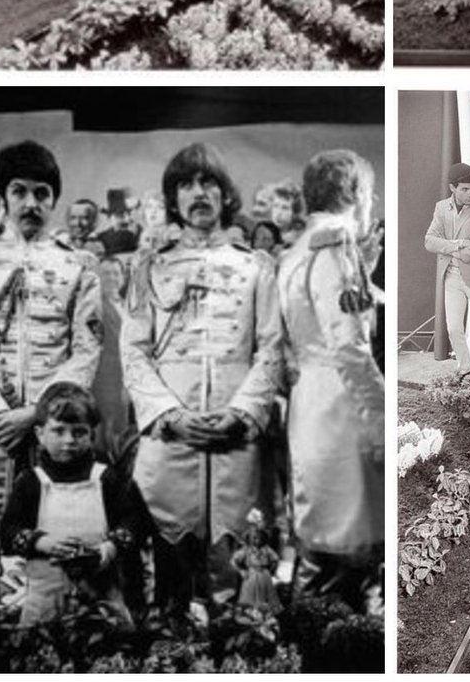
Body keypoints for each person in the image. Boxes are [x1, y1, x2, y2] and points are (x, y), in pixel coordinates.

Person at [120, 143, 282, 613]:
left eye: (209, 182)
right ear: (173, 198)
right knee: (172, 565)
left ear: (224, 194)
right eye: (187, 185)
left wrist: (242, 411)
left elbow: (270, 346)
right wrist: (168, 414)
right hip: (171, 434)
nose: (199, 193)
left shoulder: (255, 267)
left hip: (236, 435)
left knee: (241, 561)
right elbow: (133, 349)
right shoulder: (149, 267)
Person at [0, 140, 102, 607]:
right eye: (19, 191)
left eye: (41, 193)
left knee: (56, 551)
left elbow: (86, 349)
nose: (31, 203)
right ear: (3, 195)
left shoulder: (78, 264)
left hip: (52, 429)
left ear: (54, 199)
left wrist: (36, 414)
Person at [276, 149, 384, 600]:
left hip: (311, 403)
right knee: (346, 561)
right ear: (356, 193)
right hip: (344, 409)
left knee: (322, 544)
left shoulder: (298, 249)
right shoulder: (336, 244)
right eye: (370, 194)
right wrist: (381, 421)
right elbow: (350, 346)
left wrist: (368, 282)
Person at [0, 382, 144, 626]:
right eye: (58, 431)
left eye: (79, 432)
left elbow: (133, 523)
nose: (69, 441)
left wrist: (107, 550)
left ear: (92, 435)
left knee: (109, 648)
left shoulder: (106, 478)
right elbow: (8, 532)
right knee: (40, 650)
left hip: (102, 594)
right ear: (39, 434)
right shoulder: (31, 482)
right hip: (45, 597)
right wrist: (41, 542)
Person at [424, 162, 470, 388]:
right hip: (451, 276)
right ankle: (465, 368)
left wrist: (450, 246)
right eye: (465, 189)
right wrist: (460, 244)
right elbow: (429, 241)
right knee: (454, 327)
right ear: (452, 188)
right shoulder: (441, 207)